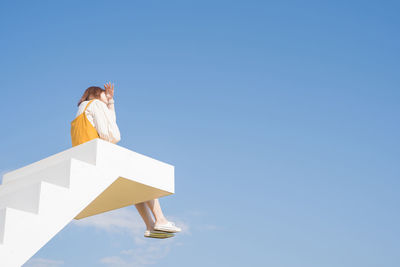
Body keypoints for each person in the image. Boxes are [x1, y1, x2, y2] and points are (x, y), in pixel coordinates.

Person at [70, 82, 181, 239]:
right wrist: (108, 104)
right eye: (104, 94)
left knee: (135, 187)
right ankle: (160, 219)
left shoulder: (82, 109)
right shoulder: (95, 104)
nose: (106, 98)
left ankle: (150, 226)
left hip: (86, 158)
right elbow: (112, 134)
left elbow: (107, 123)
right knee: (146, 176)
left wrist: (110, 102)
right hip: (100, 157)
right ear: (96, 94)